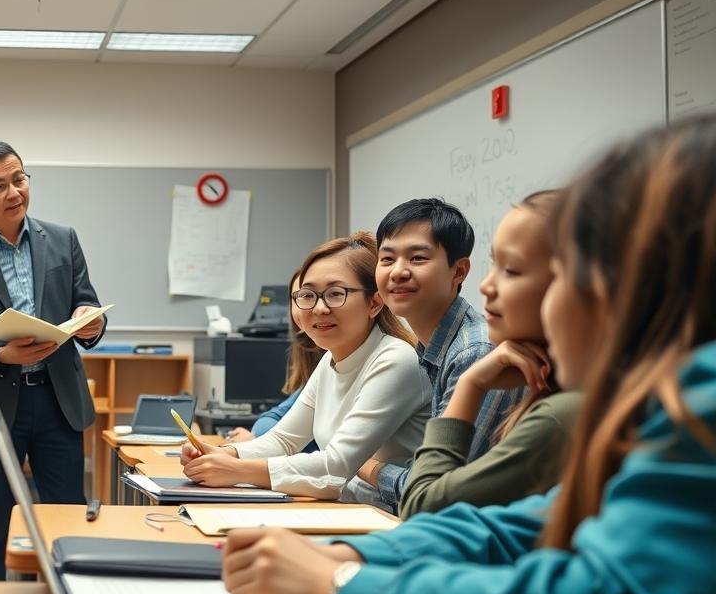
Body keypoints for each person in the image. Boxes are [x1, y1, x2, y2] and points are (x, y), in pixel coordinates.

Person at [218, 117, 716, 594]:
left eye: (555, 274)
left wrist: (342, 583)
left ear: (625, 289)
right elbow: (521, 525)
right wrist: (349, 556)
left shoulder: (696, 408)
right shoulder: (653, 405)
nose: (489, 289)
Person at [0, 140, 106, 585]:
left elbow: (87, 305)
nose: (14, 193)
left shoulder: (63, 239)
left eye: (20, 179)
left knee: (65, 519)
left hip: (58, 401)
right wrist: (0, 355)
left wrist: (90, 323)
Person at [182, 233, 429, 507]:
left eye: (336, 294)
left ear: (374, 303)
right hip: (343, 510)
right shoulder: (330, 360)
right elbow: (284, 439)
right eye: (308, 295)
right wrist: (223, 453)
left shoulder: (395, 359)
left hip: (389, 518)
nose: (319, 308)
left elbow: (336, 465)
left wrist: (236, 470)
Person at [397, 190, 582, 518]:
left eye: (511, 270)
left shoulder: (559, 412)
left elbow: (423, 508)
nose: (486, 285)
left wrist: (470, 384)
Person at [353, 199, 523, 509]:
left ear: (459, 271)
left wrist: (369, 467)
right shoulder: (431, 347)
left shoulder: (475, 351)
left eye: (417, 258)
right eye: (387, 259)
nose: (398, 272)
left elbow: (439, 493)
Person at [227, 271, 324, 447]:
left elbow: (294, 442)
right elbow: (271, 419)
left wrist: (256, 440)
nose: (318, 308)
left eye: (334, 294)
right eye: (303, 298)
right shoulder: (324, 366)